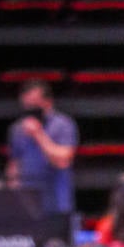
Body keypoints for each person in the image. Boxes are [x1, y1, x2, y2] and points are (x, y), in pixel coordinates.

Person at [6, 78, 78, 219]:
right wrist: (12, 192)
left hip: (56, 201)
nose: (30, 109)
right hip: (27, 202)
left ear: (47, 102)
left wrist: (38, 134)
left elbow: (63, 160)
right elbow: (15, 163)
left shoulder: (63, 124)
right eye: (27, 105)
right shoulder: (17, 129)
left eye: (34, 104)